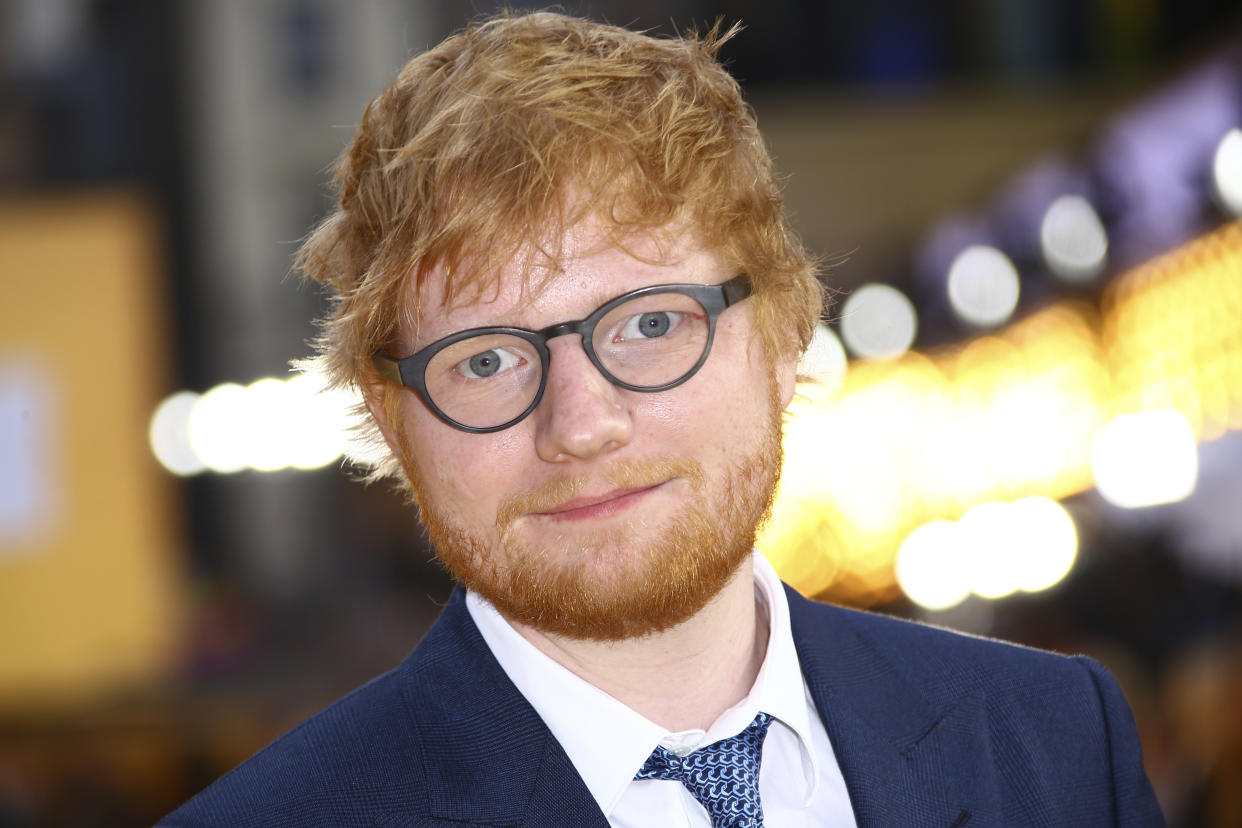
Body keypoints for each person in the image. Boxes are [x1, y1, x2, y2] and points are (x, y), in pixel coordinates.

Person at [162, 11, 1164, 827]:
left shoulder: (1056, 743)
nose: (581, 423)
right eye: (488, 360)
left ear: (782, 336)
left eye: (649, 324)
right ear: (390, 420)